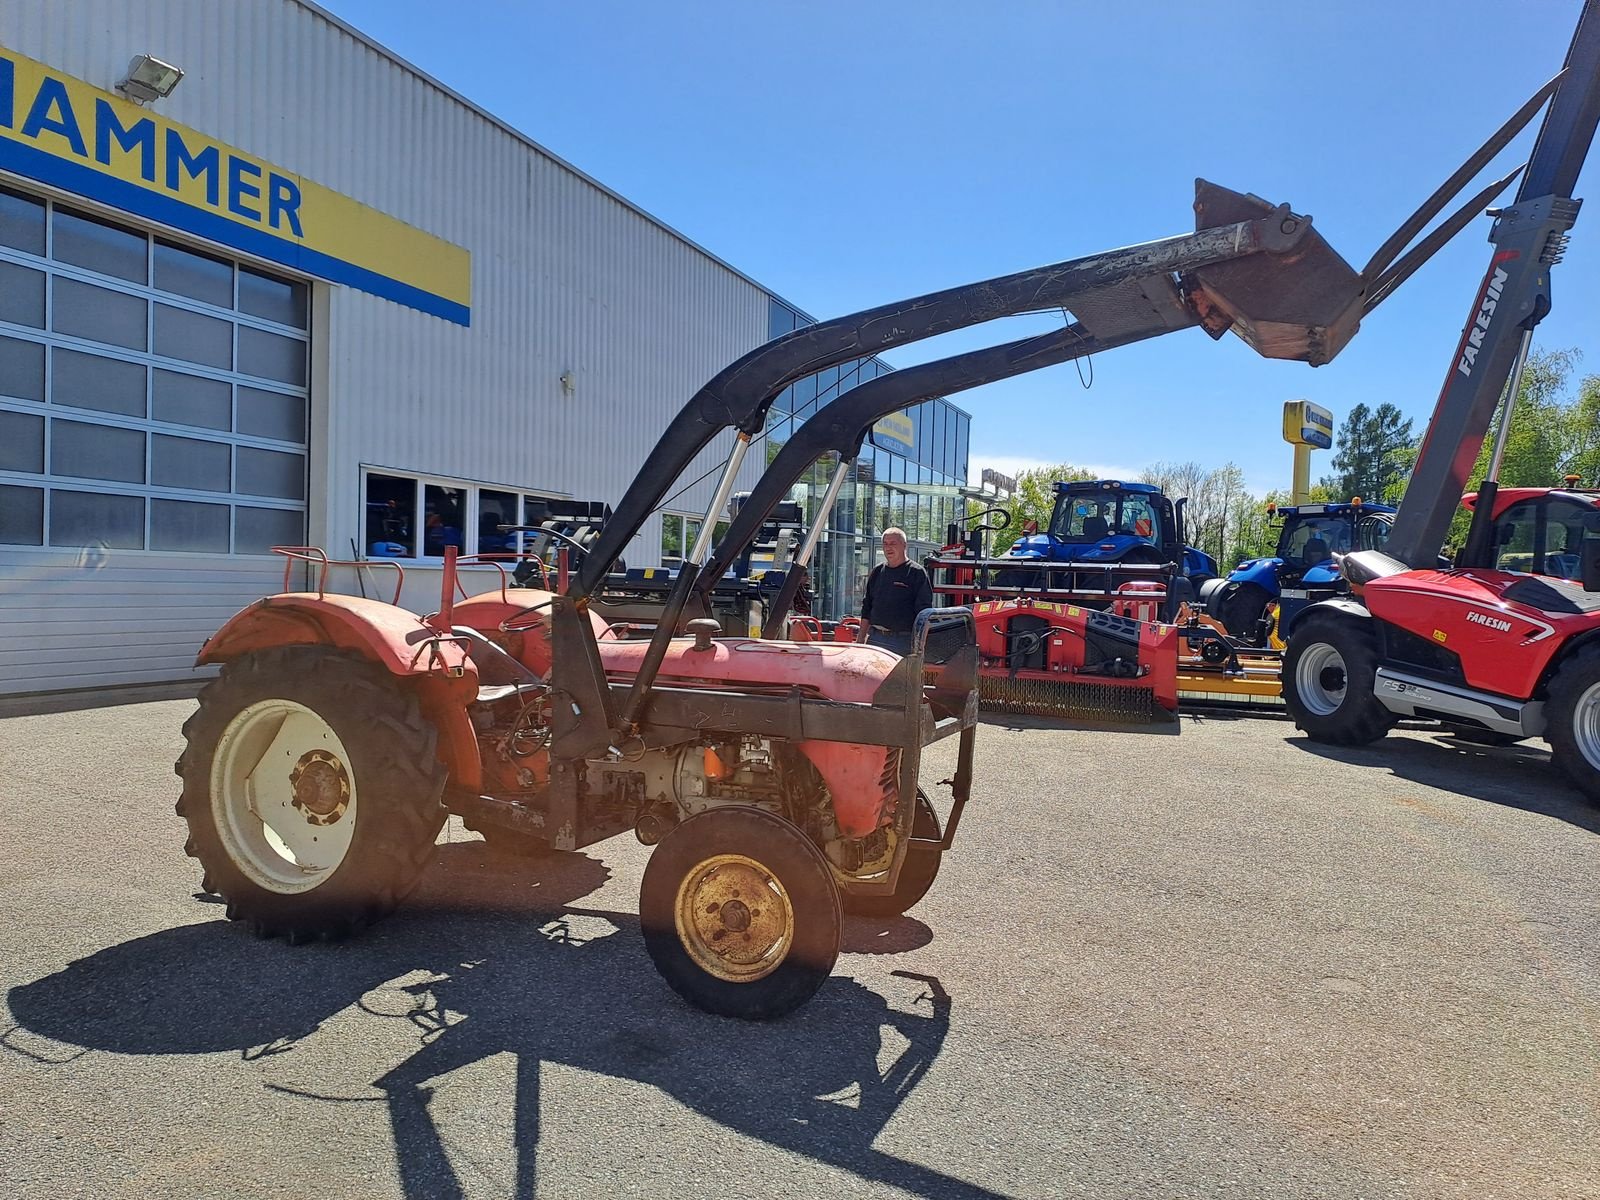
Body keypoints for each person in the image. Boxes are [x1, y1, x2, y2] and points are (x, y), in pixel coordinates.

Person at [860, 527, 932, 656]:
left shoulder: (917, 573)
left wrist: (919, 646)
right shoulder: (877, 572)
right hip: (875, 639)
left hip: (903, 641)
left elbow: (924, 613)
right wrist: (860, 640)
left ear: (904, 546)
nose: (888, 548)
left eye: (893, 543)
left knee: (899, 677)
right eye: (885, 544)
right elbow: (867, 608)